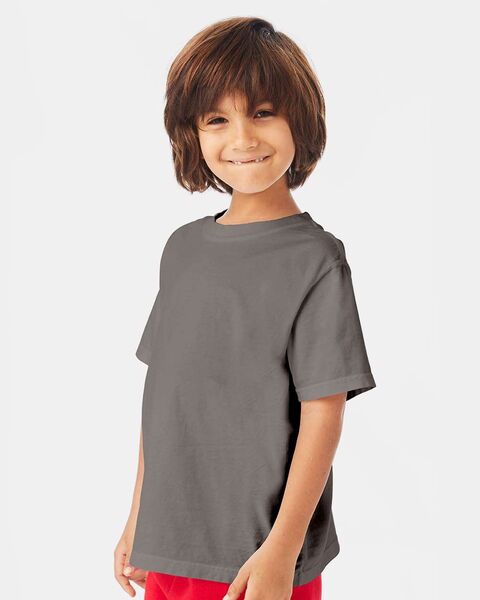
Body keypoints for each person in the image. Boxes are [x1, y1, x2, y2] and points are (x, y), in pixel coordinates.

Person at [114, 16, 377, 600]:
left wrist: (282, 549)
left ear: (299, 120)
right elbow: (164, 399)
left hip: (254, 562)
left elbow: (323, 413)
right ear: (192, 134)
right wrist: (139, 520)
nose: (243, 138)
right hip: (170, 548)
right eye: (217, 119)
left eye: (262, 112)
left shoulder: (316, 260)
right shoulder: (182, 249)